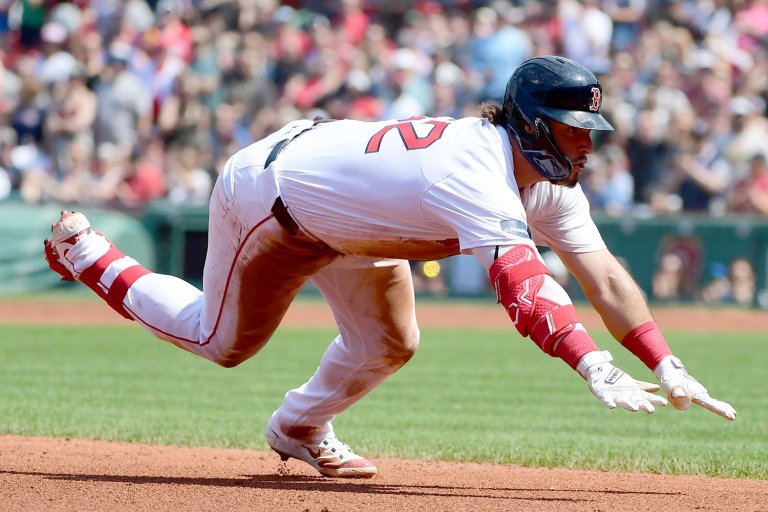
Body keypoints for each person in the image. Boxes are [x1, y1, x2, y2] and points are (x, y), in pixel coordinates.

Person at [44, 56, 736, 479]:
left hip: (354, 223)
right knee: (220, 341)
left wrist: (663, 360)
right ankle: (91, 255)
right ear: (528, 123)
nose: (585, 146)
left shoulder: (544, 181)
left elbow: (605, 278)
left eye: (589, 133)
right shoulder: (473, 166)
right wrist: (594, 365)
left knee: (391, 344)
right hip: (273, 196)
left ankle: (298, 428)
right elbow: (524, 290)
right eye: (572, 130)